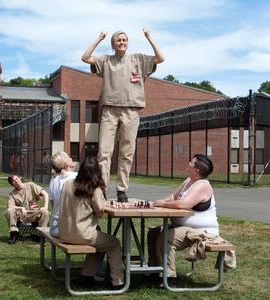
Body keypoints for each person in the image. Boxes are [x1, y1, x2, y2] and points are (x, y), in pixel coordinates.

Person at [81, 28, 165, 202]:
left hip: (131, 110)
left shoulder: (138, 59)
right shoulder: (106, 60)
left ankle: (121, 190)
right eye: (118, 40)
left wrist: (149, 37)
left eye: (124, 40)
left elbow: (160, 58)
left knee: (127, 152)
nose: (122, 42)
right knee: (104, 152)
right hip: (110, 111)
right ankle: (102, 189)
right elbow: (85, 57)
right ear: (113, 44)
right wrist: (99, 38)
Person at [147, 154, 219, 283]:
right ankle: (155, 271)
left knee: (166, 238)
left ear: (196, 170)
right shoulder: (189, 181)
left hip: (202, 231)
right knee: (153, 234)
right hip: (184, 228)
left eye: (191, 162)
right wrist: (158, 202)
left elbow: (183, 204)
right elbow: (173, 197)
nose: (188, 163)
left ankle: (168, 277)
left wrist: (162, 204)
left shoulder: (202, 185)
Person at [58, 156, 124, 289]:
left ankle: (87, 275)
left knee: (99, 235)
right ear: (97, 172)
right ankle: (118, 281)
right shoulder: (94, 189)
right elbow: (99, 213)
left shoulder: (67, 184)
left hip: (64, 232)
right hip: (82, 234)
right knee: (114, 244)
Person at [5, 174, 50, 244]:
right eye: (13, 181)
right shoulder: (12, 194)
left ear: (19, 178)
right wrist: (21, 208)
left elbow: (45, 194)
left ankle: (41, 235)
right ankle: (14, 234)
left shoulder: (30, 185)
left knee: (45, 212)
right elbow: (9, 206)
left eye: (16, 178)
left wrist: (45, 207)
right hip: (21, 215)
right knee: (9, 211)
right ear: (12, 184)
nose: (16, 181)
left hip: (33, 213)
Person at [49, 151, 77, 237]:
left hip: (55, 226)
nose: (71, 158)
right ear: (66, 164)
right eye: (68, 157)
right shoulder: (76, 177)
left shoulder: (53, 180)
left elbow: (53, 204)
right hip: (70, 227)